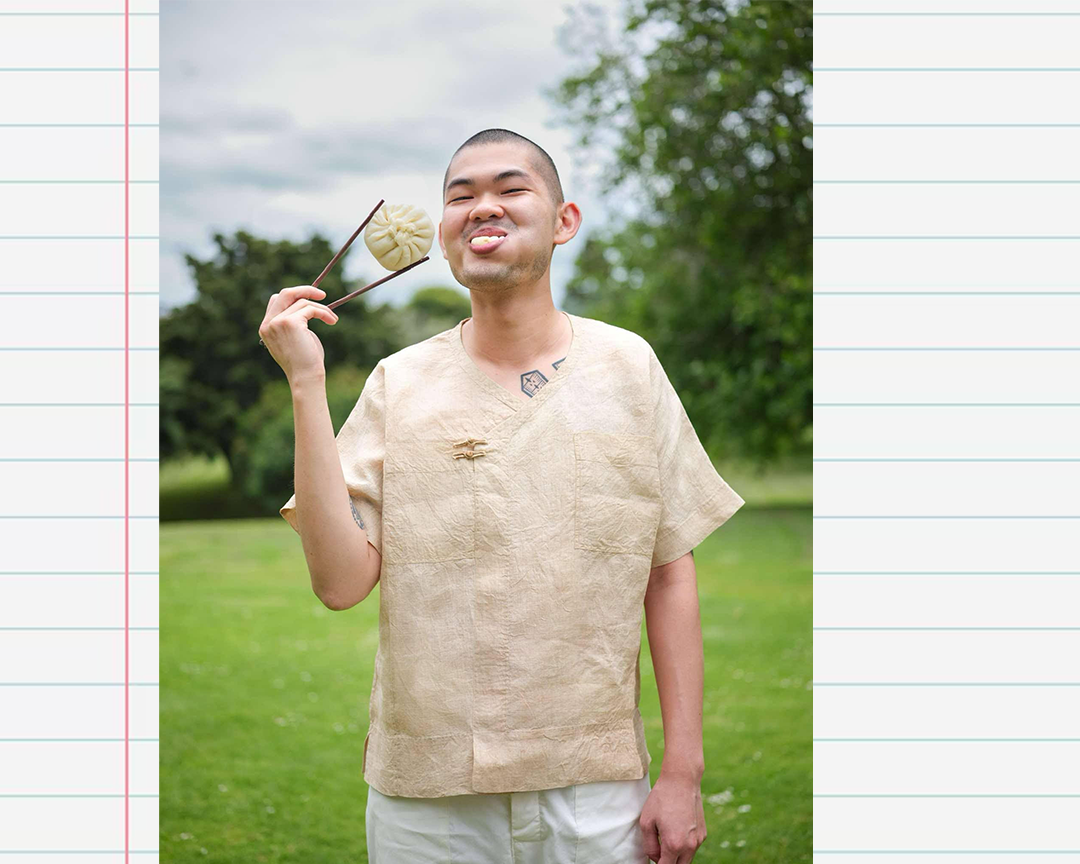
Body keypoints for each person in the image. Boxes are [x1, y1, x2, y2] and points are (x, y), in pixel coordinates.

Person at [262, 128, 744, 863]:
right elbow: (339, 583)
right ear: (445, 236)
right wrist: (305, 382)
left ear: (563, 221)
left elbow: (669, 572)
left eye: (510, 188)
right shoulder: (398, 382)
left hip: (598, 790)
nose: (481, 206)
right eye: (460, 196)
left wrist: (682, 771)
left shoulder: (628, 367)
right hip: (428, 803)